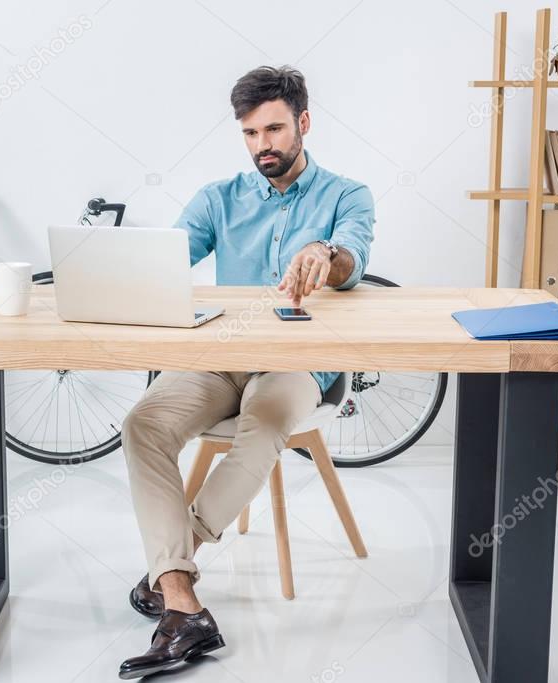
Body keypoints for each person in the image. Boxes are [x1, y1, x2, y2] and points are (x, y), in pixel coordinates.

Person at [118, 65, 375, 680]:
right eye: (251, 133)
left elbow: (353, 260)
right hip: (222, 354)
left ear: (303, 124)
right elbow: (166, 260)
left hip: (298, 362)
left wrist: (325, 253)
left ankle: (173, 573)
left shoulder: (346, 195)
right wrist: (121, 265)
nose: (264, 144)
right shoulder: (218, 198)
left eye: (275, 129)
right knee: (143, 423)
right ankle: (182, 598)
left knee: (261, 429)